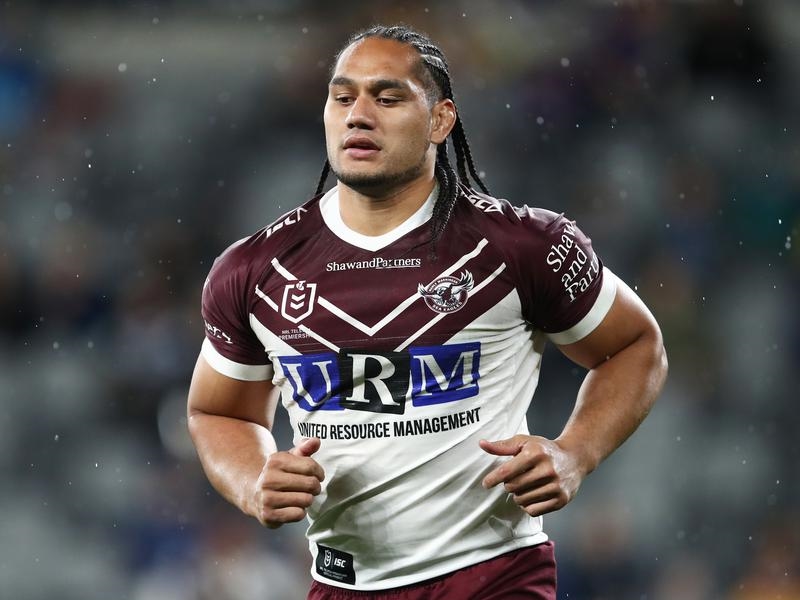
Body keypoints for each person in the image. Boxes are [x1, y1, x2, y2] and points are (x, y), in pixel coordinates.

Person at [187, 24, 668, 600]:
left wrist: (574, 453)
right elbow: (218, 411)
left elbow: (635, 346)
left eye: (387, 98)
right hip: (341, 583)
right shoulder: (255, 269)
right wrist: (253, 481)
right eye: (342, 97)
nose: (358, 115)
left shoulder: (520, 246)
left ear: (440, 120)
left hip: (493, 575)